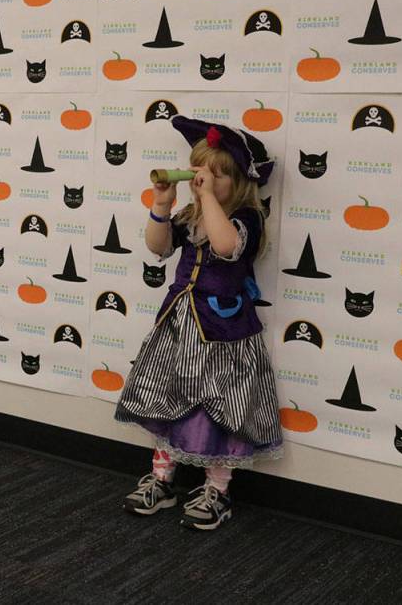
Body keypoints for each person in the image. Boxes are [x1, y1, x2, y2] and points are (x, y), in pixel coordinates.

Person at [114, 115, 282, 531]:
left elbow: (226, 246)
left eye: (217, 174)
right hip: (179, 325)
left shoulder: (247, 217)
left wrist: (208, 199)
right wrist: (161, 204)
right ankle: (162, 480)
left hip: (223, 333)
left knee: (219, 407)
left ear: (240, 181)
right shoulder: (191, 213)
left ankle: (217, 490)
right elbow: (157, 247)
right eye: (200, 171)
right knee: (166, 397)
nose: (204, 180)